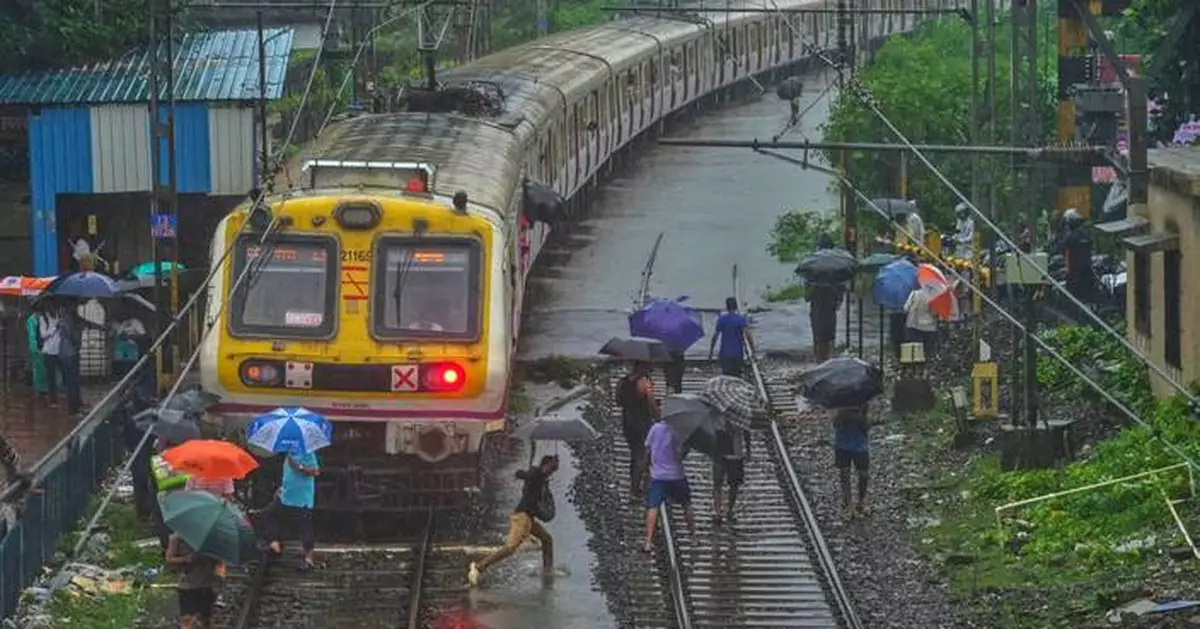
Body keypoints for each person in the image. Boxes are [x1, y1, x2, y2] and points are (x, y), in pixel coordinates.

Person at [468, 455, 559, 586]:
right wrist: (525, 474)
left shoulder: (542, 480)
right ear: (545, 465)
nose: (553, 470)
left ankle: (548, 570)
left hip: (529, 518)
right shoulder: (535, 474)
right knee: (510, 548)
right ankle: (478, 567)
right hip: (522, 517)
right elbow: (526, 474)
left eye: (554, 468)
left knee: (547, 539)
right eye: (551, 467)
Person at [641, 415, 697, 552]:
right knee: (686, 504)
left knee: (652, 507)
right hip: (676, 475)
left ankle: (648, 541)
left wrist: (645, 469)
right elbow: (680, 456)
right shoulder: (680, 432)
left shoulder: (655, 428)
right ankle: (693, 536)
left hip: (658, 476)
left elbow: (647, 451)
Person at [263, 450, 320, 570]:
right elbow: (288, 474)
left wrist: (299, 466)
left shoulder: (308, 453)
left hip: (301, 497)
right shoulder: (288, 455)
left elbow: (315, 471)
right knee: (270, 514)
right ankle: (275, 543)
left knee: (304, 526)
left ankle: (308, 559)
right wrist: (281, 487)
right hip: (286, 495)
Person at [616, 361, 658, 495]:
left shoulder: (623, 381)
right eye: (649, 367)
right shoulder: (643, 382)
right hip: (642, 422)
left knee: (635, 454)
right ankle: (635, 488)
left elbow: (618, 401)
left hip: (627, 422)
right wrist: (659, 418)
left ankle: (636, 483)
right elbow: (651, 404)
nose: (651, 370)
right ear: (643, 367)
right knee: (641, 455)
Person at [165, 533, 223, 629]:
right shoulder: (177, 538)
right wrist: (185, 559)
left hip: (206, 584)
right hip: (187, 584)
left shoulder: (209, 538)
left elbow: (219, 561)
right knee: (187, 618)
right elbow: (169, 559)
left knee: (206, 618)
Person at [833, 405, 870, 520]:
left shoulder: (863, 404)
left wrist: (862, 418)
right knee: (845, 474)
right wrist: (842, 414)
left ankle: (861, 501)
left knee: (863, 474)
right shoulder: (839, 404)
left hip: (860, 446)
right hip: (843, 445)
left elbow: (867, 426)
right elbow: (835, 424)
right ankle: (848, 503)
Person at [711, 427, 747, 523]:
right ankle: (721, 511)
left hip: (731, 453)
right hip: (727, 453)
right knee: (721, 483)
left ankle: (724, 511)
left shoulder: (715, 414)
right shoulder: (739, 415)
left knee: (727, 484)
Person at [709, 297, 751, 377]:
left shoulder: (721, 320)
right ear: (736, 306)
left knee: (726, 377)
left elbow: (715, 337)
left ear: (727, 306)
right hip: (738, 353)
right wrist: (751, 351)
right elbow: (748, 336)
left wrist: (711, 352)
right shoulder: (741, 320)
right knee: (737, 376)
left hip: (725, 353)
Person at [807, 284, 844, 362]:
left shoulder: (814, 280)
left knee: (820, 338)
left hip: (819, 312)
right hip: (826, 312)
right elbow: (839, 301)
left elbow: (807, 297)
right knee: (826, 339)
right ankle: (825, 359)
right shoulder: (835, 281)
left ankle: (821, 359)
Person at [904, 287, 937, 357]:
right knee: (928, 352)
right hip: (930, 328)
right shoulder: (934, 296)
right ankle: (928, 365)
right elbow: (935, 313)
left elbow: (906, 308)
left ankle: (917, 366)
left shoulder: (914, 294)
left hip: (914, 326)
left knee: (916, 352)